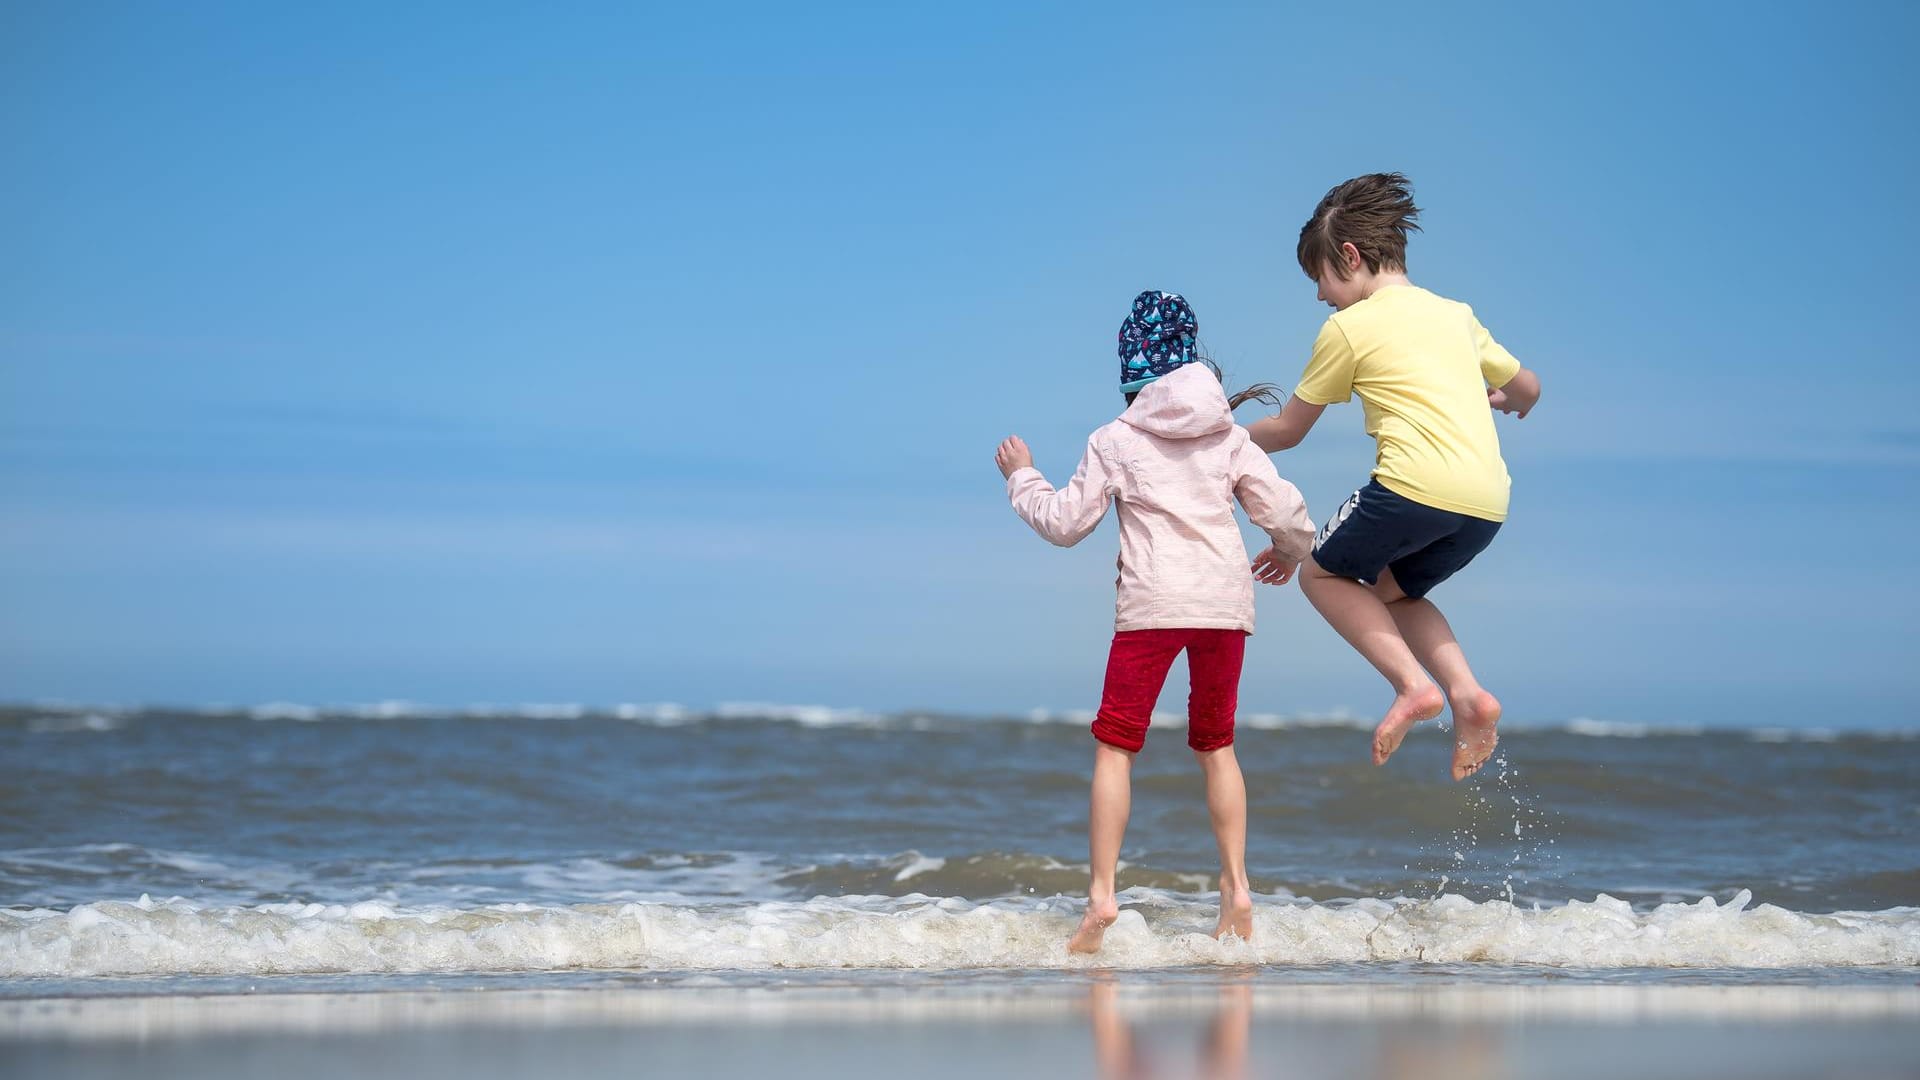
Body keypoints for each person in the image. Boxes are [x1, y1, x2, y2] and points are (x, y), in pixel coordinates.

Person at [994, 290, 1314, 953]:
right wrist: (1289, 554)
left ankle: (1103, 897)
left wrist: (1023, 477)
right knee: (1216, 745)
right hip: (1225, 608)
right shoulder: (1228, 435)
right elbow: (1283, 513)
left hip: (1151, 609)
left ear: (1132, 373)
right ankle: (1237, 887)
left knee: (1117, 746)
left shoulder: (1115, 439)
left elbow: (1064, 524)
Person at [1246, 173, 1543, 781]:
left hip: (1412, 487)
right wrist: (1508, 401)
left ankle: (1411, 685)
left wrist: (1215, 436)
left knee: (1321, 573)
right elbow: (1527, 387)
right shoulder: (1455, 314)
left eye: (1322, 280)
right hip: (1486, 504)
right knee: (1394, 591)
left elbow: (1287, 431)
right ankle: (1468, 696)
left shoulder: (1348, 328)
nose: (1322, 297)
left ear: (1348, 257)